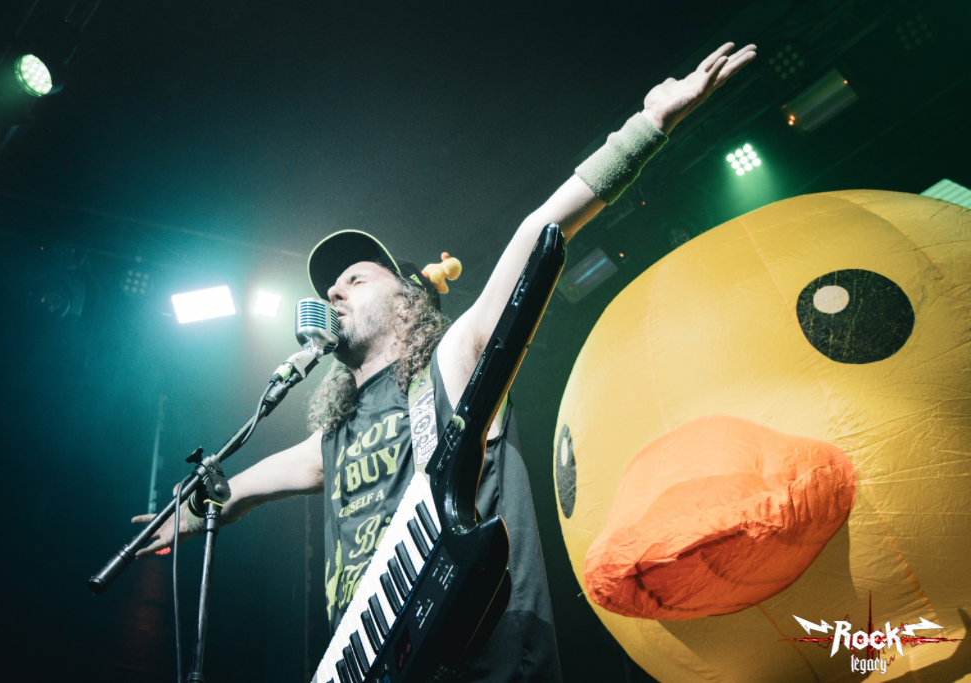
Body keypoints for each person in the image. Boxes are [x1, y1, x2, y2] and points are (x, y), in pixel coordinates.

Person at [133, 42, 757, 682]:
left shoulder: (452, 365)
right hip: (375, 661)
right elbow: (238, 491)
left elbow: (539, 231)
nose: (334, 295)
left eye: (355, 279)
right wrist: (182, 516)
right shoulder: (335, 438)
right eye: (329, 290)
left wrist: (646, 127)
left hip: (481, 654)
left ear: (407, 301)